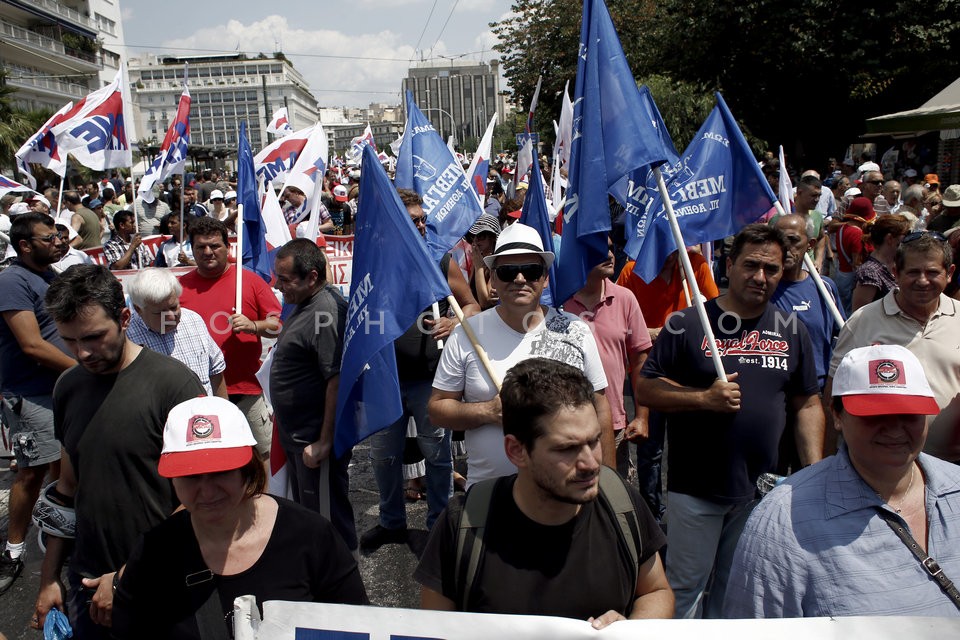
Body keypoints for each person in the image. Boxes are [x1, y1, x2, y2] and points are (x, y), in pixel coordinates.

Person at [635, 223, 823, 619]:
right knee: (684, 590)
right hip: (696, 489)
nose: (760, 277)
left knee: (739, 590)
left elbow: (807, 404)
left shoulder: (792, 330)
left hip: (764, 493)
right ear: (730, 264)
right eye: (751, 265)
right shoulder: (686, 323)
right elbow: (647, 388)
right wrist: (702, 398)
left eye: (771, 269)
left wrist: (814, 472)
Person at [416, 358, 672, 625]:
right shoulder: (463, 524)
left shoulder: (622, 504)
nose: (590, 463)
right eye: (566, 448)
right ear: (516, 450)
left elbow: (657, 591)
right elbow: (434, 630)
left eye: (593, 441)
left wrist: (630, 629)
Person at [724, 345, 960, 618]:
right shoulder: (782, 519)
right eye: (876, 414)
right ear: (837, 415)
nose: (895, 427)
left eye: (909, 412)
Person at [32, 265, 205, 634]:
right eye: (69, 340)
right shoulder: (67, 387)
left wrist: (130, 574)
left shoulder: (175, 386)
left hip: (165, 582)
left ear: (125, 318)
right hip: (88, 584)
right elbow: (67, 488)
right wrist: (49, 579)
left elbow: (202, 497)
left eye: (94, 337)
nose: (82, 352)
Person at [111, 396, 367, 637]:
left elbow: (359, 625)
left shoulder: (311, 537)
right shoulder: (154, 553)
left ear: (248, 470)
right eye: (190, 476)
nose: (208, 491)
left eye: (221, 471)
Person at [429, 222, 614, 488]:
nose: (519, 279)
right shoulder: (466, 335)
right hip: (490, 497)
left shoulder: (575, 330)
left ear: (545, 277)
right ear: (492, 278)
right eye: (507, 272)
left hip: (566, 494)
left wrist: (608, 485)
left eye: (530, 270)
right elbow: (437, 409)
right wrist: (487, 411)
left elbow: (600, 407)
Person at [361, 190, 480, 553]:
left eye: (421, 219)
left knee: (437, 453)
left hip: (430, 378)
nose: (420, 225)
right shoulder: (372, 261)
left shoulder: (440, 262)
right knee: (384, 456)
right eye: (412, 219)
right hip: (385, 379)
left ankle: (439, 523)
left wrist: (453, 323)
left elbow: (473, 306)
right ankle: (391, 522)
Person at [826, 231, 960, 463]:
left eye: (932, 272)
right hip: (880, 465)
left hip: (952, 467)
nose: (922, 280)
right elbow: (833, 394)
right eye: (913, 272)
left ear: (949, 274)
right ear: (896, 273)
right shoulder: (862, 322)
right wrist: (825, 460)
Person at [0, 213, 75, 594]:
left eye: (59, 236)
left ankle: (58, 536)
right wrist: (84, 366)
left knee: (63, 468)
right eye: (49, 238)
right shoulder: (11, 281)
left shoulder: (51, 276)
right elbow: (31, 344)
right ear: (25, 245)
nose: (57, 242)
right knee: (32, 471)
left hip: (61, 390)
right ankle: (14, 549)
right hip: (32, 394)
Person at [270, 239, 356, 552]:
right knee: (311, 518)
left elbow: (335, 380)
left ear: (312, 277)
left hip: (313, 442)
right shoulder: (306, 302)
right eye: (277, 277)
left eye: (284, 280)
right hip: (297, 436)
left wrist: (324, 441)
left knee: (328, 523)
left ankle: (342, 589)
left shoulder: (326, 312)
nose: (277, 286)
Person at [179, 217, 281, 458]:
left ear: (228, 247)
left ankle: (259, 497)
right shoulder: (179, 287)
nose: (207, 252)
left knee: (261, 456)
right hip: (198, 394)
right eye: (200, 247)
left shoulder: (249, 281)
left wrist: (254, 325)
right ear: (191, 250)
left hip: (245, 389)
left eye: (214, 246)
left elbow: (280, 325)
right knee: (214, 459)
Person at [564, 238, 653, 478]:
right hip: (565, 424)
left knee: (613, 501)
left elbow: (640, 361)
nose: (610, 254)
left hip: (612, 426)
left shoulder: (625, 299)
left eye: (612, 248)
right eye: (600, 249)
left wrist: (642, 416)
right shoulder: (557, 302)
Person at [126, 268, 227, 398]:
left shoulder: (193, 319)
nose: (171, 317)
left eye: (174, 307)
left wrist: (224, 412)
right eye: (160, 313)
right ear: (138, 309)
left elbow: (216, 371)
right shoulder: (126, 337)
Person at [851, 214, 911, 312]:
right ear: (890, 239)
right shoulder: (869, 272)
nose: (908, 239)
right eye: (906, 234)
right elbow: (859, 313)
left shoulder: (897, 263)